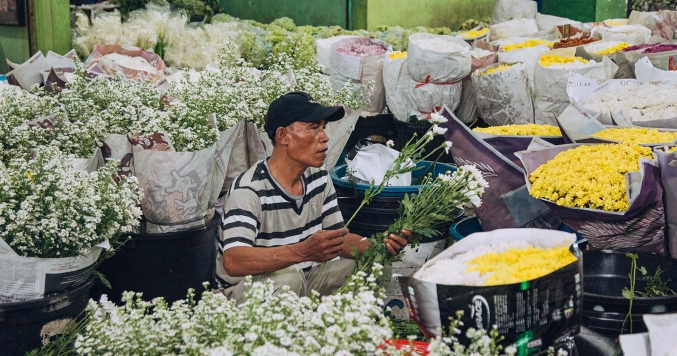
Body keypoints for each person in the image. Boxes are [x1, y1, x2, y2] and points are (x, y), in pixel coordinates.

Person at [215, 91, 411, 303]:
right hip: (243, 294)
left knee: (375, 266)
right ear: (283, 136)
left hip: (303, 278)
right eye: (313, 128)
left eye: (323, 127)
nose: (325, 137)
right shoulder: (249, 190)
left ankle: (342, 331)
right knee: (289, 278)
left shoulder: (319, 178)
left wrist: (379, 245)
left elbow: (338, 240)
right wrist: (302, 252)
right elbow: (234, 261)